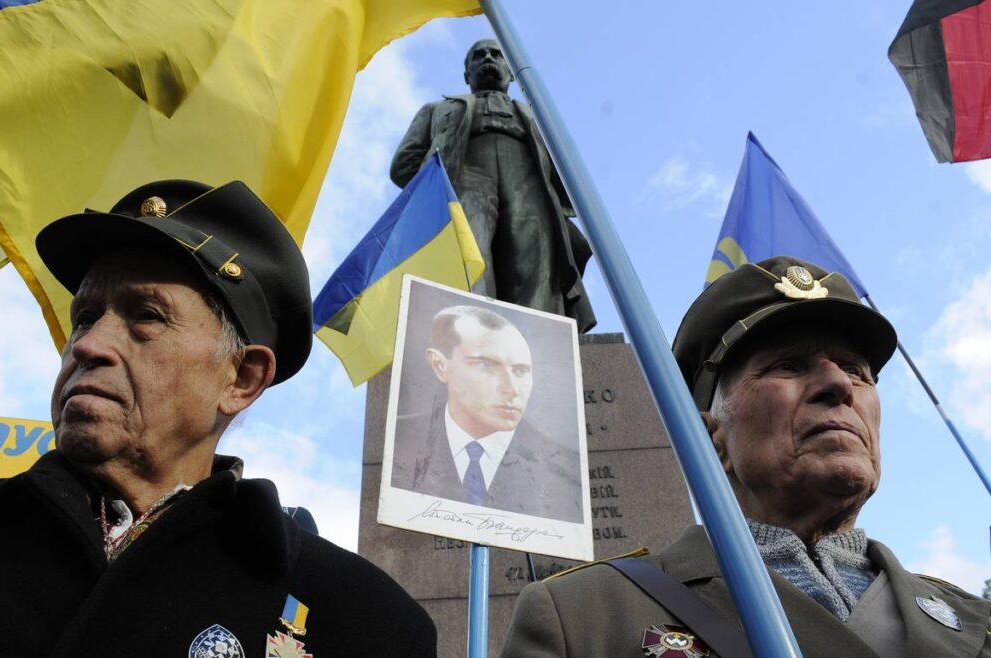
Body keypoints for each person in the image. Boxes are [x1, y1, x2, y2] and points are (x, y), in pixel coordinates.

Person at [0, 180, 436, 657]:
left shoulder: (362, 621)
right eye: (85, 317)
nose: (88, 345)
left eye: (146, 316)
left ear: (241, 379)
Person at [502, 256, 991, 657]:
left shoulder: (976, 619)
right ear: (710, 437)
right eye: (788, 366)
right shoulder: (584, 616)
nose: (838, 385)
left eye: (855, 370)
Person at [390, 38, 596, 333]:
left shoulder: (538, 117)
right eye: (478, 55)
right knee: (469, 260)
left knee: (534, 265)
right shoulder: (436, 109)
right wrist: (436, 184)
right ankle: (471, 334)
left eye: (495, 54)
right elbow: (403, 165)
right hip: (465, 182)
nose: (487, 58)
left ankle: (536, 340)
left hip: (528, 185)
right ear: (467, 74)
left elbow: (565, 171)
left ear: (510, 72)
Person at [391, 305, 583, 523]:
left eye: (520, 371)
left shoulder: (567, 470)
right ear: (440, 365)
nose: (511, 389)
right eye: (486, 365)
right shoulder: (396, 442)